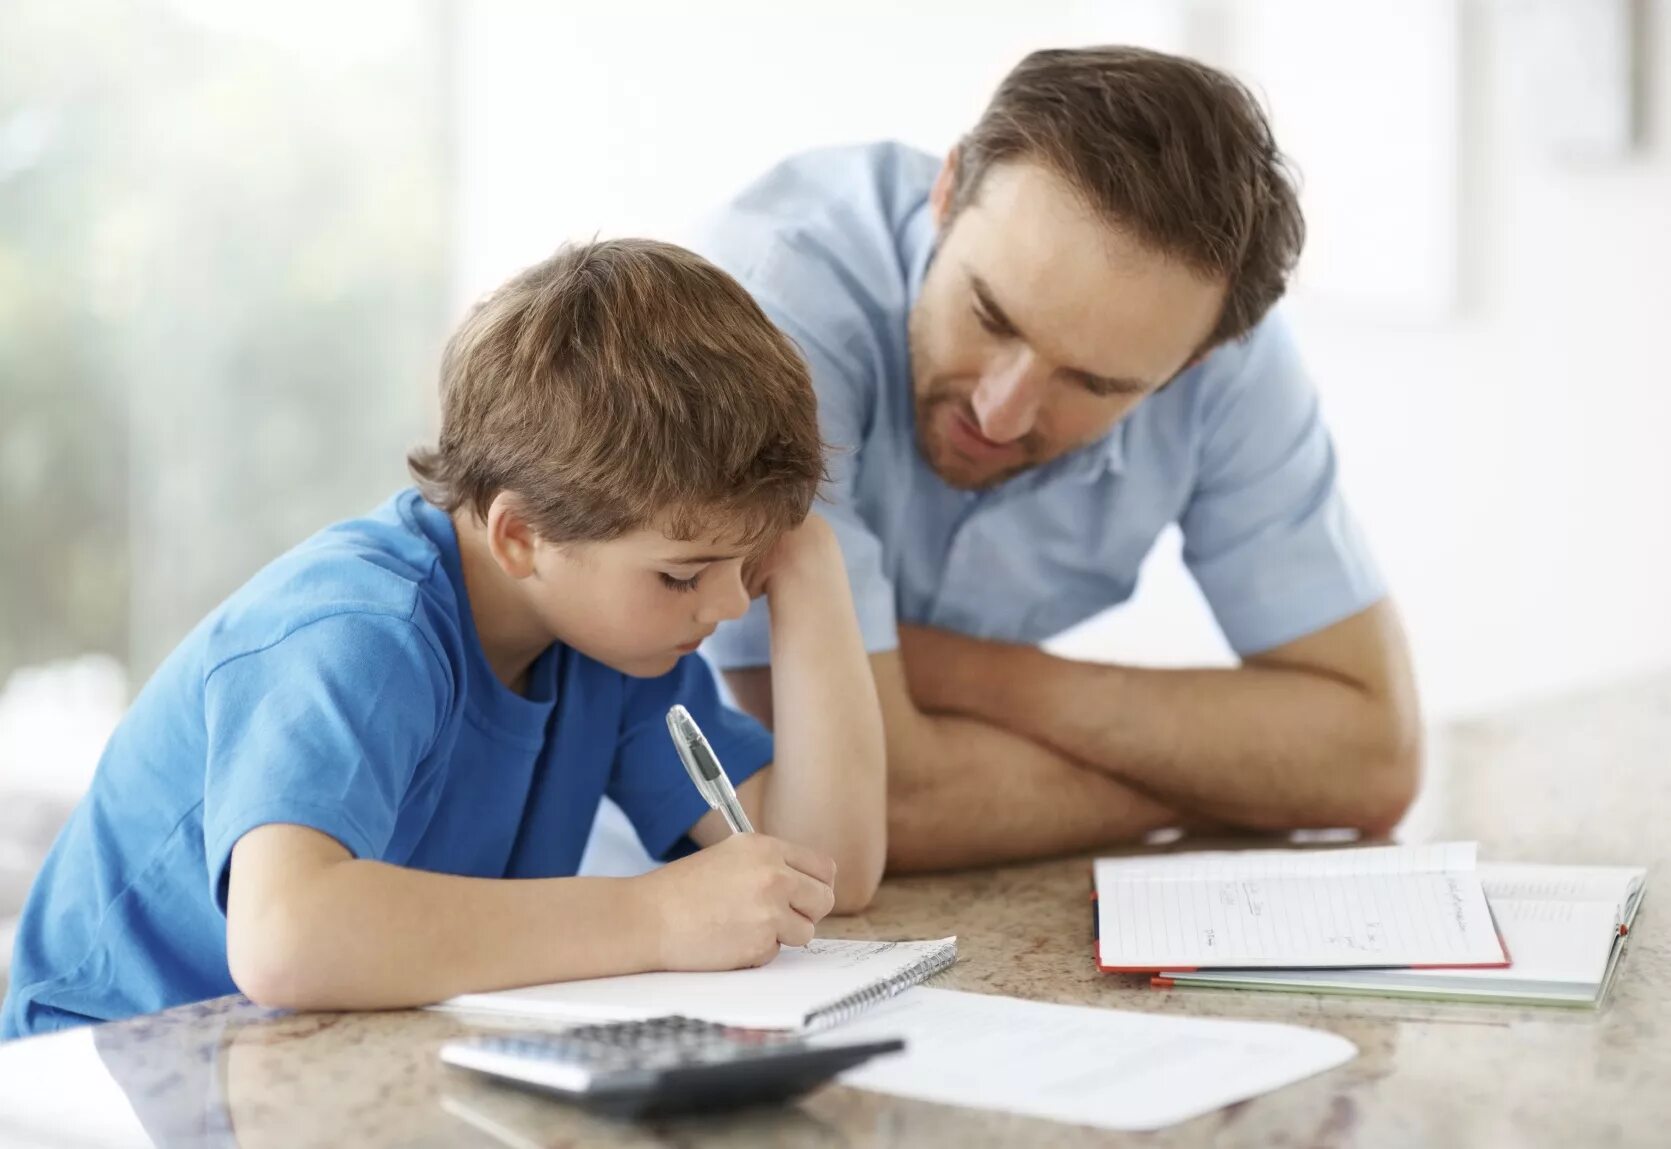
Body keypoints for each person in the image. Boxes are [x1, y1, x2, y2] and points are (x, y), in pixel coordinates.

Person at [1, 239, 886, 1039]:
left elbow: (825, 872)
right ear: (520, 537)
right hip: (113, 1058)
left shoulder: (619, 640)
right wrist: (654, 916)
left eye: (743, 563)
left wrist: (807, 564)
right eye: (686, 573)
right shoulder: (359, 630)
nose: (728, 605)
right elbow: (284, 937)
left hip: (329, 1053)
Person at [692, 46, 1421, 872]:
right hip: (649, 901)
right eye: (990, 314)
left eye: (1091, 380)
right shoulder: (767, 313)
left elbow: (1370, 759)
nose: (999, 412)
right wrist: (1233, 785)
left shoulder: (1221, 353)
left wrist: (978, 677)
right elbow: (865, 805)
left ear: (1192, 363)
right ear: (949, 190)